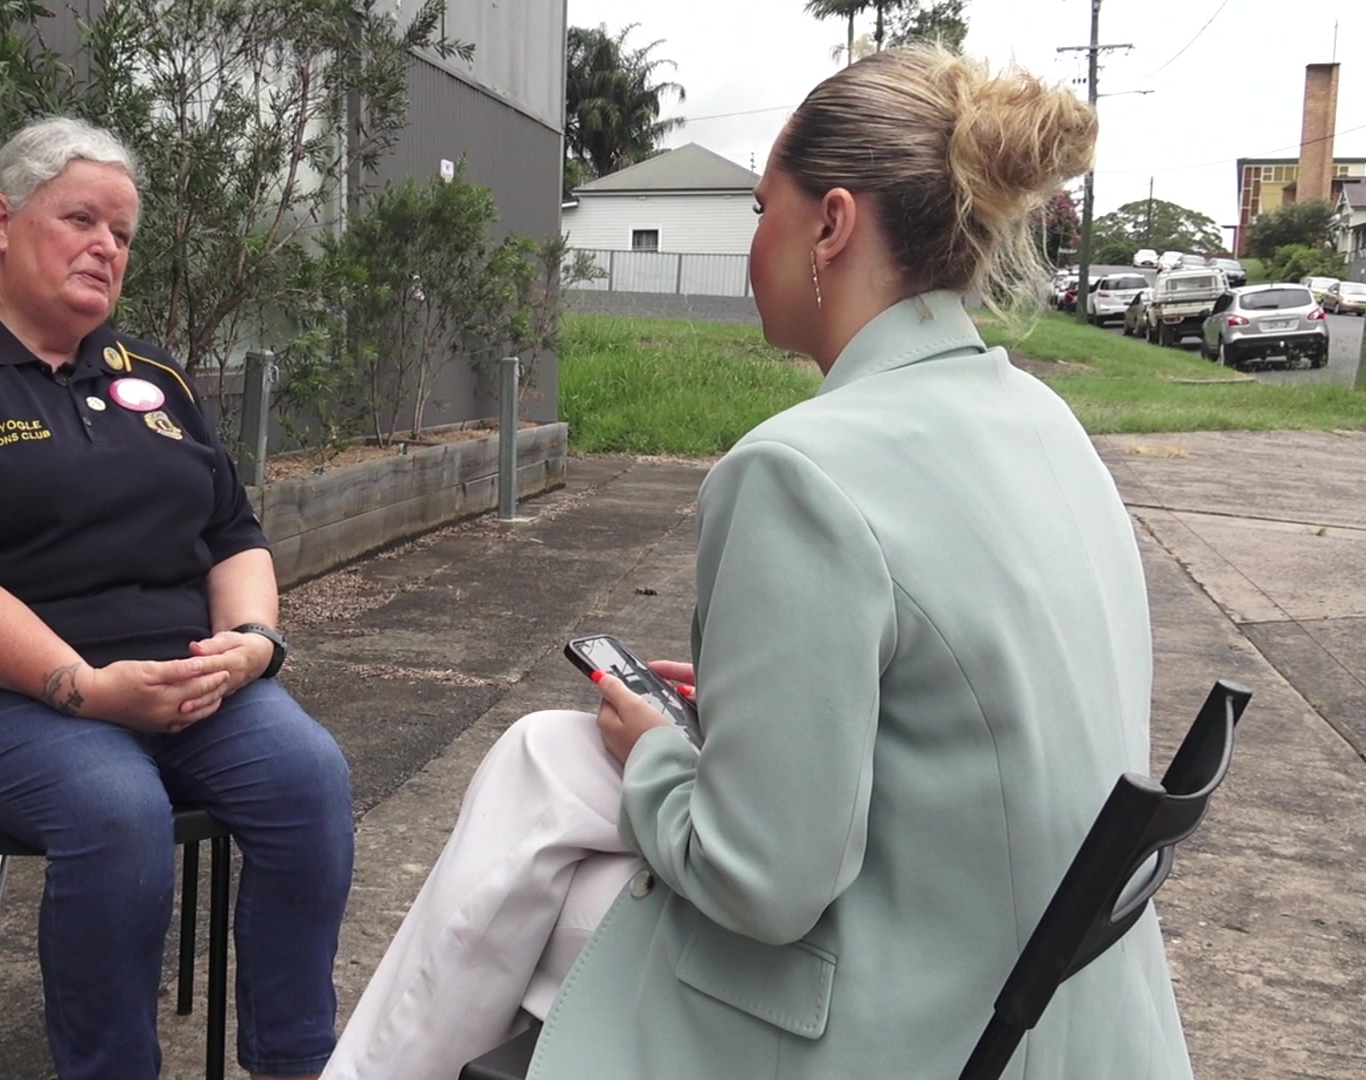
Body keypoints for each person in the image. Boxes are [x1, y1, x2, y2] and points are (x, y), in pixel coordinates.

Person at [322, 47, 1193, 1080]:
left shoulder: (801, 472)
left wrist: (657, 747)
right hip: (1061, 1015)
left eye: (756, 211)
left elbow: (763, 884)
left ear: (830, 225)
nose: (752, 244)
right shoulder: (1042, 423)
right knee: (544, 772)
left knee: (538, 800)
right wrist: (754, 711)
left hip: (910, 1027)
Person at [0, 117, 353, 1080]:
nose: (106, 246)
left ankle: (297, 1061)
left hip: (170, 680)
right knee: (115, 807)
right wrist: (85, 687)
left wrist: (252, 641)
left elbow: (234, 534)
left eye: (122, 232)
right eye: (81, 218)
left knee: (308, 778)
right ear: (2, 218)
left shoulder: (151, 377)